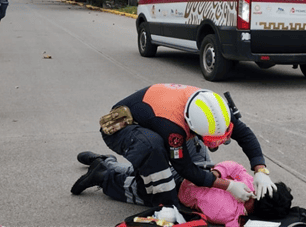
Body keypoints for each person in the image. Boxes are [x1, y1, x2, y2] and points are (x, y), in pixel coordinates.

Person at [71, 83, 277, 207]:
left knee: (199, 174)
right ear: (191, 126)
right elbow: (185, 168)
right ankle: (104, 175)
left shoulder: (214, 109)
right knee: (162, 192)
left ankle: (106, 164)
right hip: (121, 127)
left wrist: (260, 169)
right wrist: (228, 185)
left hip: (155, 121)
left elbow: (245, 134)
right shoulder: (173, 129)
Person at [178, 161, 292, 227]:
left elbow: (196, 188)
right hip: (197, 170)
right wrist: (216, 173)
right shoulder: (250, 185)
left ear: (256, 195)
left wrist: (225, 184)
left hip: (183, 185)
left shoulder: (227, 214)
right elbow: (235, 167)